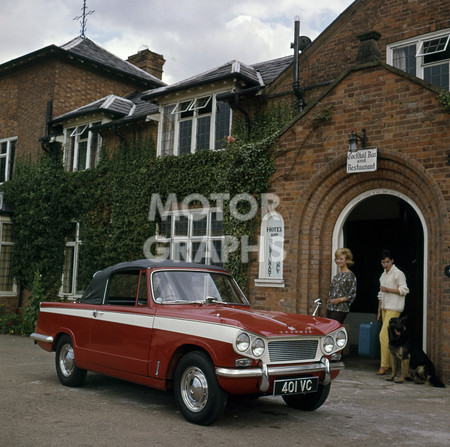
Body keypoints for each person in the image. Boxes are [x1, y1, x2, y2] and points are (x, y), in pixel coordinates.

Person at [376, 249, 409, 375]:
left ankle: (384, 365)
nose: (385, 264)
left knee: (383, 335)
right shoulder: (383, 275)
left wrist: (389, 290)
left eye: (388, 262)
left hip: (394, 308)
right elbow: (380, 294)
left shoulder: (398, 273)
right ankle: (389, 365)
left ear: (392, 261)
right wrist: (379, 310)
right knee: (388, 337)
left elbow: (404, 290)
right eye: (383, 262)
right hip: (385, 308)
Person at [326, 248, 357, 324]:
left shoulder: (350, 275)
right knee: (328, 330)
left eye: (341, 259)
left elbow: (352, 295)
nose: (338, 261)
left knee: (334, 328)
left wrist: (339, 300)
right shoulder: (337, 275)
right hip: (330, 307)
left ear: (347, 260)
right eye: (337, 259)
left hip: (341, 308)